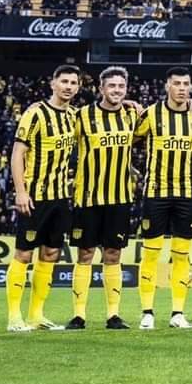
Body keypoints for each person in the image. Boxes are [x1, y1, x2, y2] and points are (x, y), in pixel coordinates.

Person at [6, 64, 81, 331]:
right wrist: (21, 191)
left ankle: (36, 315)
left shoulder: (75, 116)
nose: (69, 86)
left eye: (73, 82)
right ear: (53, 83)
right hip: (34, 197)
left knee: (50, 254)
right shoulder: (35, 113)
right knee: (23, 254)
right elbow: (17, 154)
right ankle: (15, 317)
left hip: (61, 198)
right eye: (64, 81)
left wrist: (128, 103)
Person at [65, 66, 138, 330]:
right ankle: (78, 315)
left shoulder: (132, 115)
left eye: (121, 86)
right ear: (101, 88)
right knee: (85, 254)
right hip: (88, 197)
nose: (117, 90)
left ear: (126, 89)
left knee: (113, 254)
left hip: (119, 197)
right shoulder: (82, 116)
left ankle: (113, 315)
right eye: (112, 86)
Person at [133, 67, 192, 329]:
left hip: (188, 194)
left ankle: (177, 313)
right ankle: (147, 313)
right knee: (150, 255)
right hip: (156, 193)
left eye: (186, 83)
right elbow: (130, 139)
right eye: (177, 83)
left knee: (182, 256)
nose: (182, 88)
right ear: (167, 86)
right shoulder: (151, 113)